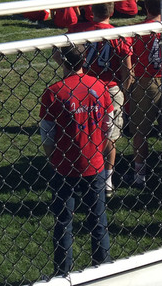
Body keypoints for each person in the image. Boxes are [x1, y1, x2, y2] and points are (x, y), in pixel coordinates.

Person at [40, 44, 112, 273]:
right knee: (98, 222)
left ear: (61, 61)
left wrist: (54, 160)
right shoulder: (100, 86)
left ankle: (63, 273)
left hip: (64, 166)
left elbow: (47, 136)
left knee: (63, 223)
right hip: (95, 162)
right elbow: (108, 127)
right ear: (85, 60)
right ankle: (102, 269)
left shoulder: (54, 92)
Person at [74, 2, 133, 197]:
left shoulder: (82, 33)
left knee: (86, 132)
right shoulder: (118, 35)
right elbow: (127, 68)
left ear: (92, 11)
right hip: (110, 87)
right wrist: (125, 88)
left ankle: (86, 174)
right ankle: (107, 179)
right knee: (110, 135)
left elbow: (63, 57)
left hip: (86, 88)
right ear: (112, 12)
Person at [129, 0, 162, 187]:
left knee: (140, 130)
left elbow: (130, 58)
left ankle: (140, 174)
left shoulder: (138, 30)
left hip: (146, 80)